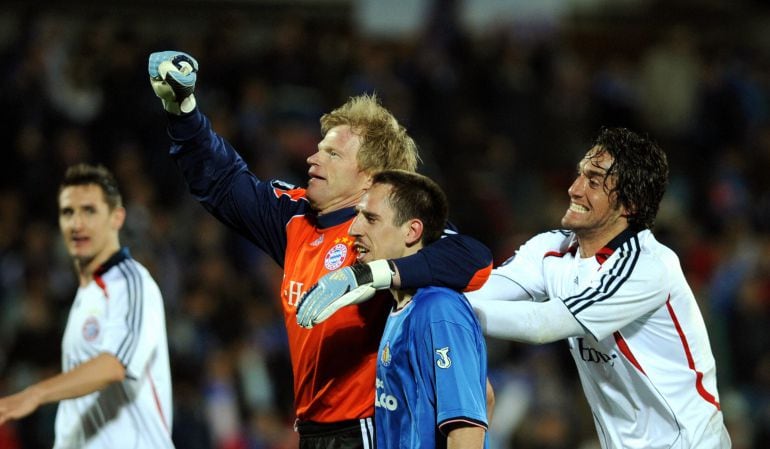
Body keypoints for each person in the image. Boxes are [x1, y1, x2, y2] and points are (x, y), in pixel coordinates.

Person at [148, 50, 492, 448]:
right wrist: (184, 110)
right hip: (311, 430)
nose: (313, 158)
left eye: (332, 153)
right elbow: (223, 182)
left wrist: (369, 273)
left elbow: (474, 259)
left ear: (369, 176)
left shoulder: (388, 234)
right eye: (318, 148)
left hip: (369, 427)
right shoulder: (294, 217)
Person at [464, 128, 731, 448]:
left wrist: (448, 312)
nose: (574, 189)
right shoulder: (552, 250)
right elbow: (482, 292)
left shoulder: (648, 266)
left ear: (629, 203)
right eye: (579, 175)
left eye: (593, 182)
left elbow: (544, 323)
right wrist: (420, 292)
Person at [0, 163, 175, 449]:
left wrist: (32, 395)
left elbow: (114, 365)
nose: (77, 223)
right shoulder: (86, 294)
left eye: (89, 210)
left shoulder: (131, 283)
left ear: (117, 217)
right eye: (68, 212)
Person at [352, 169, 488, 449]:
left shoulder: (439, 310)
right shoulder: (402, 305)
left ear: (412, 231)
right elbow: (485, 395)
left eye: (371, 219)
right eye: (358, 215)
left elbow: (466, 434)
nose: (354, 228)